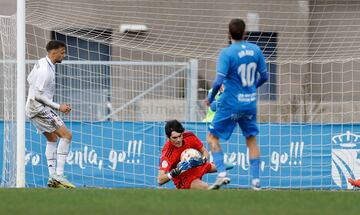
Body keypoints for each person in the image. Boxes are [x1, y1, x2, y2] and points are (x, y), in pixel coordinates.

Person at [205, 18, 268, 190]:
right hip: (249, 103)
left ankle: (222, 174)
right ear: (245, 32)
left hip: (230, 103)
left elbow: (218, 81)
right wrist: (251, 87)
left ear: (228, 34)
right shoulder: (256, 50)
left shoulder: (227, 53)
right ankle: (255, 182)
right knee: (251, 141)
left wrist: (210, 98)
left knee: (211, 137)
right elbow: (265, 77)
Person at [25, 40, 75, 189]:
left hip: (33, 108)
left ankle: (53, 178)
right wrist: (58, 106)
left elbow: (29, 80)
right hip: (39, 108)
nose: (64, 55)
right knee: (67, 136)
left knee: (52, 138)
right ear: (54, 53)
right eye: (62, 52)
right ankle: (58, 176)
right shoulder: (45, 71)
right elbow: (38, 96)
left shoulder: (42, 62)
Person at [158, 120, 216, 189]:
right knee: (205, 187)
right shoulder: (168, 153)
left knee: (221, 167)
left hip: (195, 167)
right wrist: (176, 171)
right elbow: (160, 180)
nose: (178, 140)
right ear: (168, 137)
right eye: (175, 138)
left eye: (180, 136)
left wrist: (202, 161)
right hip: (183, 178)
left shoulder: (189, 136)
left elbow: (205, 152)